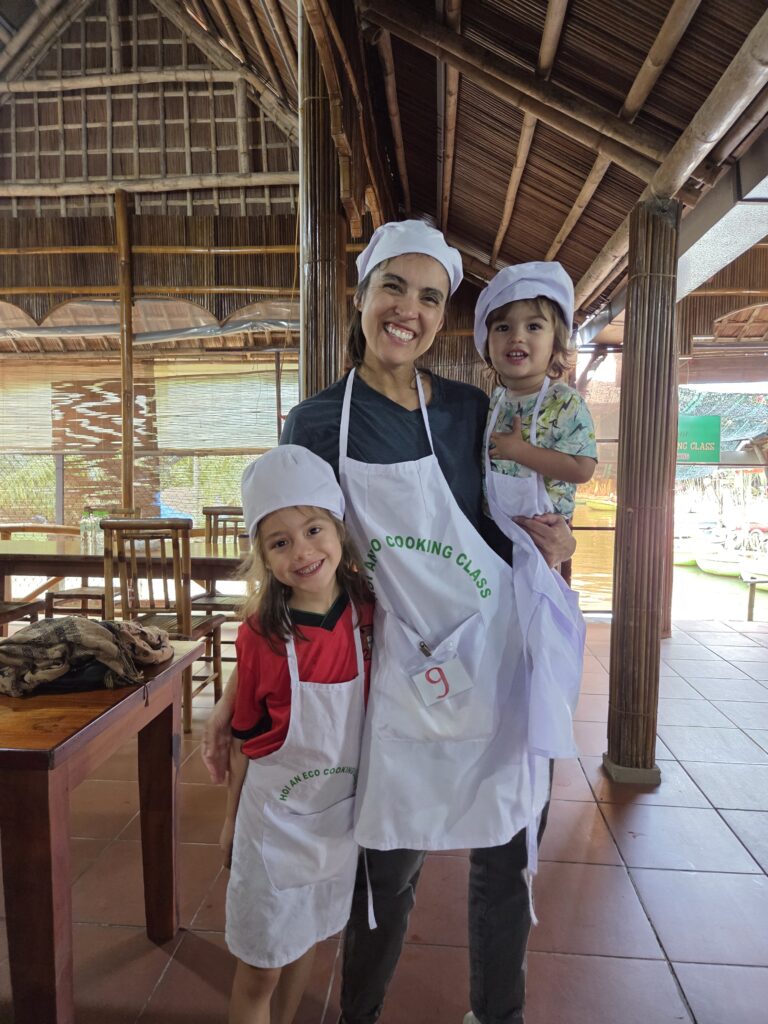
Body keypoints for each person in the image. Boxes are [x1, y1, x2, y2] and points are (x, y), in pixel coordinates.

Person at [204, 220, 581, 1024]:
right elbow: (288, 565)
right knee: (386, 861)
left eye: (430, 297)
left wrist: (560, 538)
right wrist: (237, 689)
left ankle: (498, 1014)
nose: (408, 310)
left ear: (443, 317)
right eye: (394, 288)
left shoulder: (470, 410)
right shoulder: (315, 423)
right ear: (363, 295)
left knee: (506, 850)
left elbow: (512, 517)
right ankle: (359, 1014)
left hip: (497, 649)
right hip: (400, 664)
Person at [221, 444, 374, 1024]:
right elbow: (244, 741)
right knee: (262, 963)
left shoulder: (369, 611)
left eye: (313, 529)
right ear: (262, 556)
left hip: (337, 820)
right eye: (280, 542)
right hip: (275, 828)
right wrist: (230, 821)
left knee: (307, 936)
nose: (303, 552)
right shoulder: (260, 635)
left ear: (338, 528)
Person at [473, 262, 597, 523]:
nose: (517, 337)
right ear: (487, 345)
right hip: (494, 528)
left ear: (555, 343)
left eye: (533, 327)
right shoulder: (496, 400)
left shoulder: (565, 402)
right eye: (503, 328)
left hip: (544, 535)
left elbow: (583, 469)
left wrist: (519, 451)